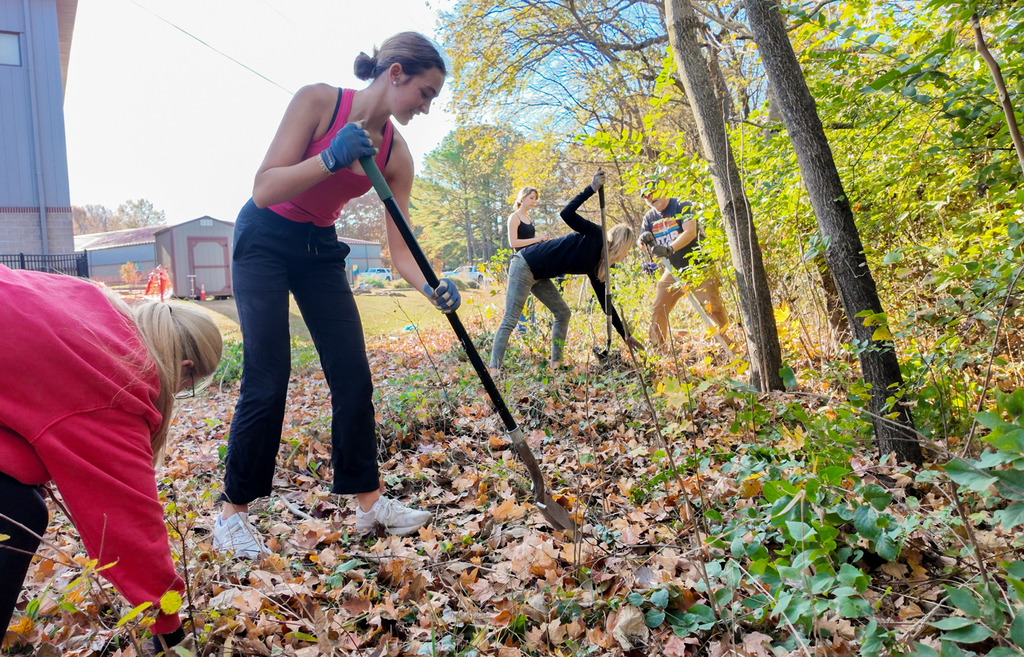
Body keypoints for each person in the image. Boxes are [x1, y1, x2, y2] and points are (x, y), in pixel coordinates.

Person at [216, 32, 460, 557]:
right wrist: (331, 158)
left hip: (319, 247)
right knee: (268, 373)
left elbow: (400, 250)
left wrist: (431, 287)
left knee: (352, 373)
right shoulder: (319, 102)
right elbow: (264, 188)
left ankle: (368, 504)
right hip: (264, 236)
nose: (426, 106)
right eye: (425, 92)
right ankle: (233, 513)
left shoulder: (397, 154)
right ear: (395, 73)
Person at [0, 266, 223, 653]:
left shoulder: (96, 306)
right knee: (17, 513)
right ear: (185, 370)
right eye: (189, 386)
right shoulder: (115, 383)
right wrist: (169, 627)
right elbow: (131, 527)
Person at [489, 171, 642, 370]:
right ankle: (494, 370)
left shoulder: (599, 266)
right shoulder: (595, 234)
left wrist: (625, 335)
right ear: (622, 245)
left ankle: (555, 365)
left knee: (563, 312)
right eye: (627, 250)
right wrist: (591, 189)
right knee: (511, 317)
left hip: (540, 274)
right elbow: (566, 214)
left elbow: (606, 304)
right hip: (524, 264)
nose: (626, 255)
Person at [639, 180, 730, 348]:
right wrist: (643, 240)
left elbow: (690, 232)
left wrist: (669, 249)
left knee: (712, 306)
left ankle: (727, 345)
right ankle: (657, 348)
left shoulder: (682, 205)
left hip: (698, 266)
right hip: (673, 270)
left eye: (652, 192)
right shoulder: (649, 218)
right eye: (645, 196)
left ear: (663, 189)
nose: (649, 197)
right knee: (659, 306)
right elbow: (642, 244)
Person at [507, 187, 548, 334]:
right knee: (520, 302)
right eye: (531, 198)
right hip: (519, 264)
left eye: (535, 198)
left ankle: (533, 333)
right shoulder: (514, 217)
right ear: (522, 198)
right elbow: (513, 243)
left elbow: (530, 243)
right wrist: (537, 239)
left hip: (531, 264)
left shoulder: (529, 219)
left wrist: (541, 242)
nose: (534, 201)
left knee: (530, 301)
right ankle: (523, 333)